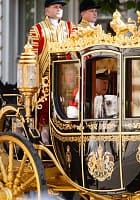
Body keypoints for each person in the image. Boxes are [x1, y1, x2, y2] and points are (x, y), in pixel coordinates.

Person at [28, 0, 74, 143]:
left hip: (66, 76)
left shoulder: (70, 27)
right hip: (45, 77)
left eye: (60, 7)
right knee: (45, 105)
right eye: (56, 7)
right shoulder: (37, 30)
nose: (59, 9)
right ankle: (45, 132)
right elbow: (32, 57)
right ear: (47, 11)